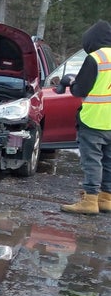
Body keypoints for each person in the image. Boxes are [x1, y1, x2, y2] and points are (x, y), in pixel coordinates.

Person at [58, 20, 111, 214]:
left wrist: (71, 81)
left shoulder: (96, 58)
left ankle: (90, 200)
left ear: (91, 40)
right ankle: (106, 198)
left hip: (94, 120)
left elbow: (80, 89)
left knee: (92, 161)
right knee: (108, 160)